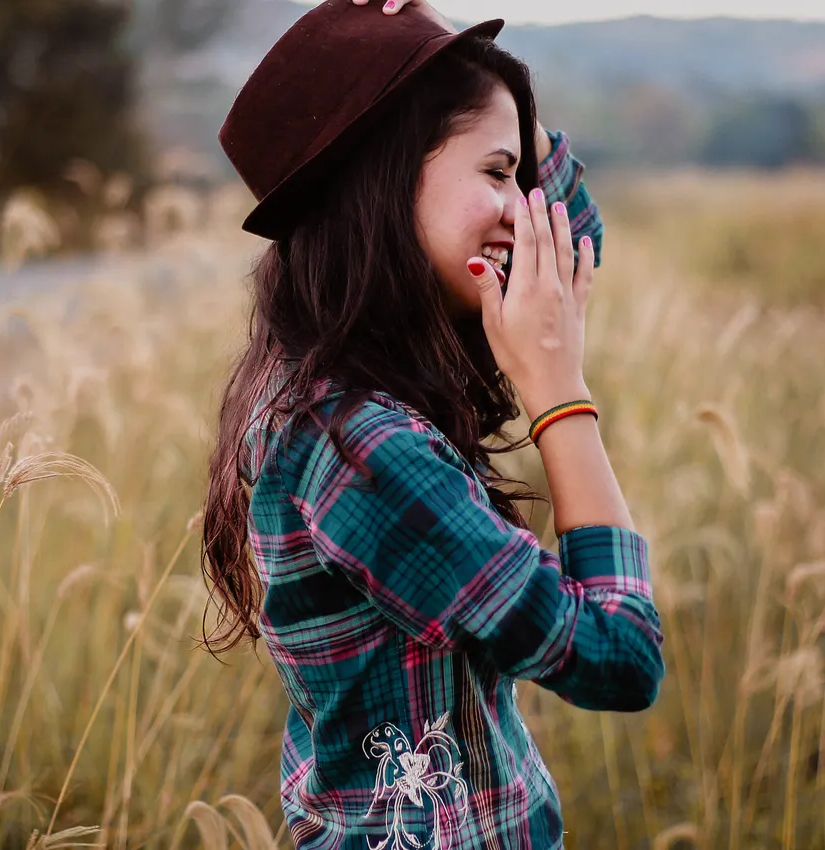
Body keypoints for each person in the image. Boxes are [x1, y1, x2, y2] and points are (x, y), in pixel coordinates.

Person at [200, 1, 665, 847]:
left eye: (519, 180)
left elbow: (571, 233)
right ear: (380, 174)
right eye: (496, 174)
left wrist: (428, 38)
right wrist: (560, 392)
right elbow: (621, 658)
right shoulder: (361, 446)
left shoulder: (323, 381)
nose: (522, 210)